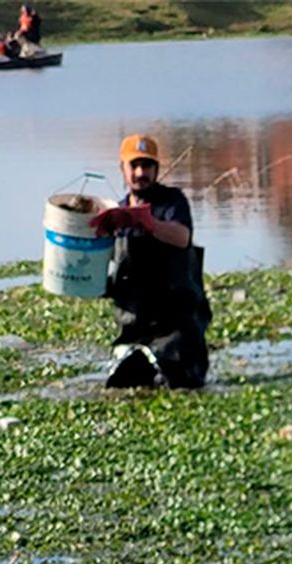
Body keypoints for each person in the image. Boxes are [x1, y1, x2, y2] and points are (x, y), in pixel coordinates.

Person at [91, 134, 211, 389]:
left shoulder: (173, 202)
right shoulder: (115, 213)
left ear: (157, 169)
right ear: (122, 169)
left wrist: (150, 225)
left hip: (177, 323)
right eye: (133, 166)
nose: (140, 172)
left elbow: (182, 237)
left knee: (180, 383)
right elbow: (107, 273)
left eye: (146, 166)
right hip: (133, 325)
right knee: (120, 384)